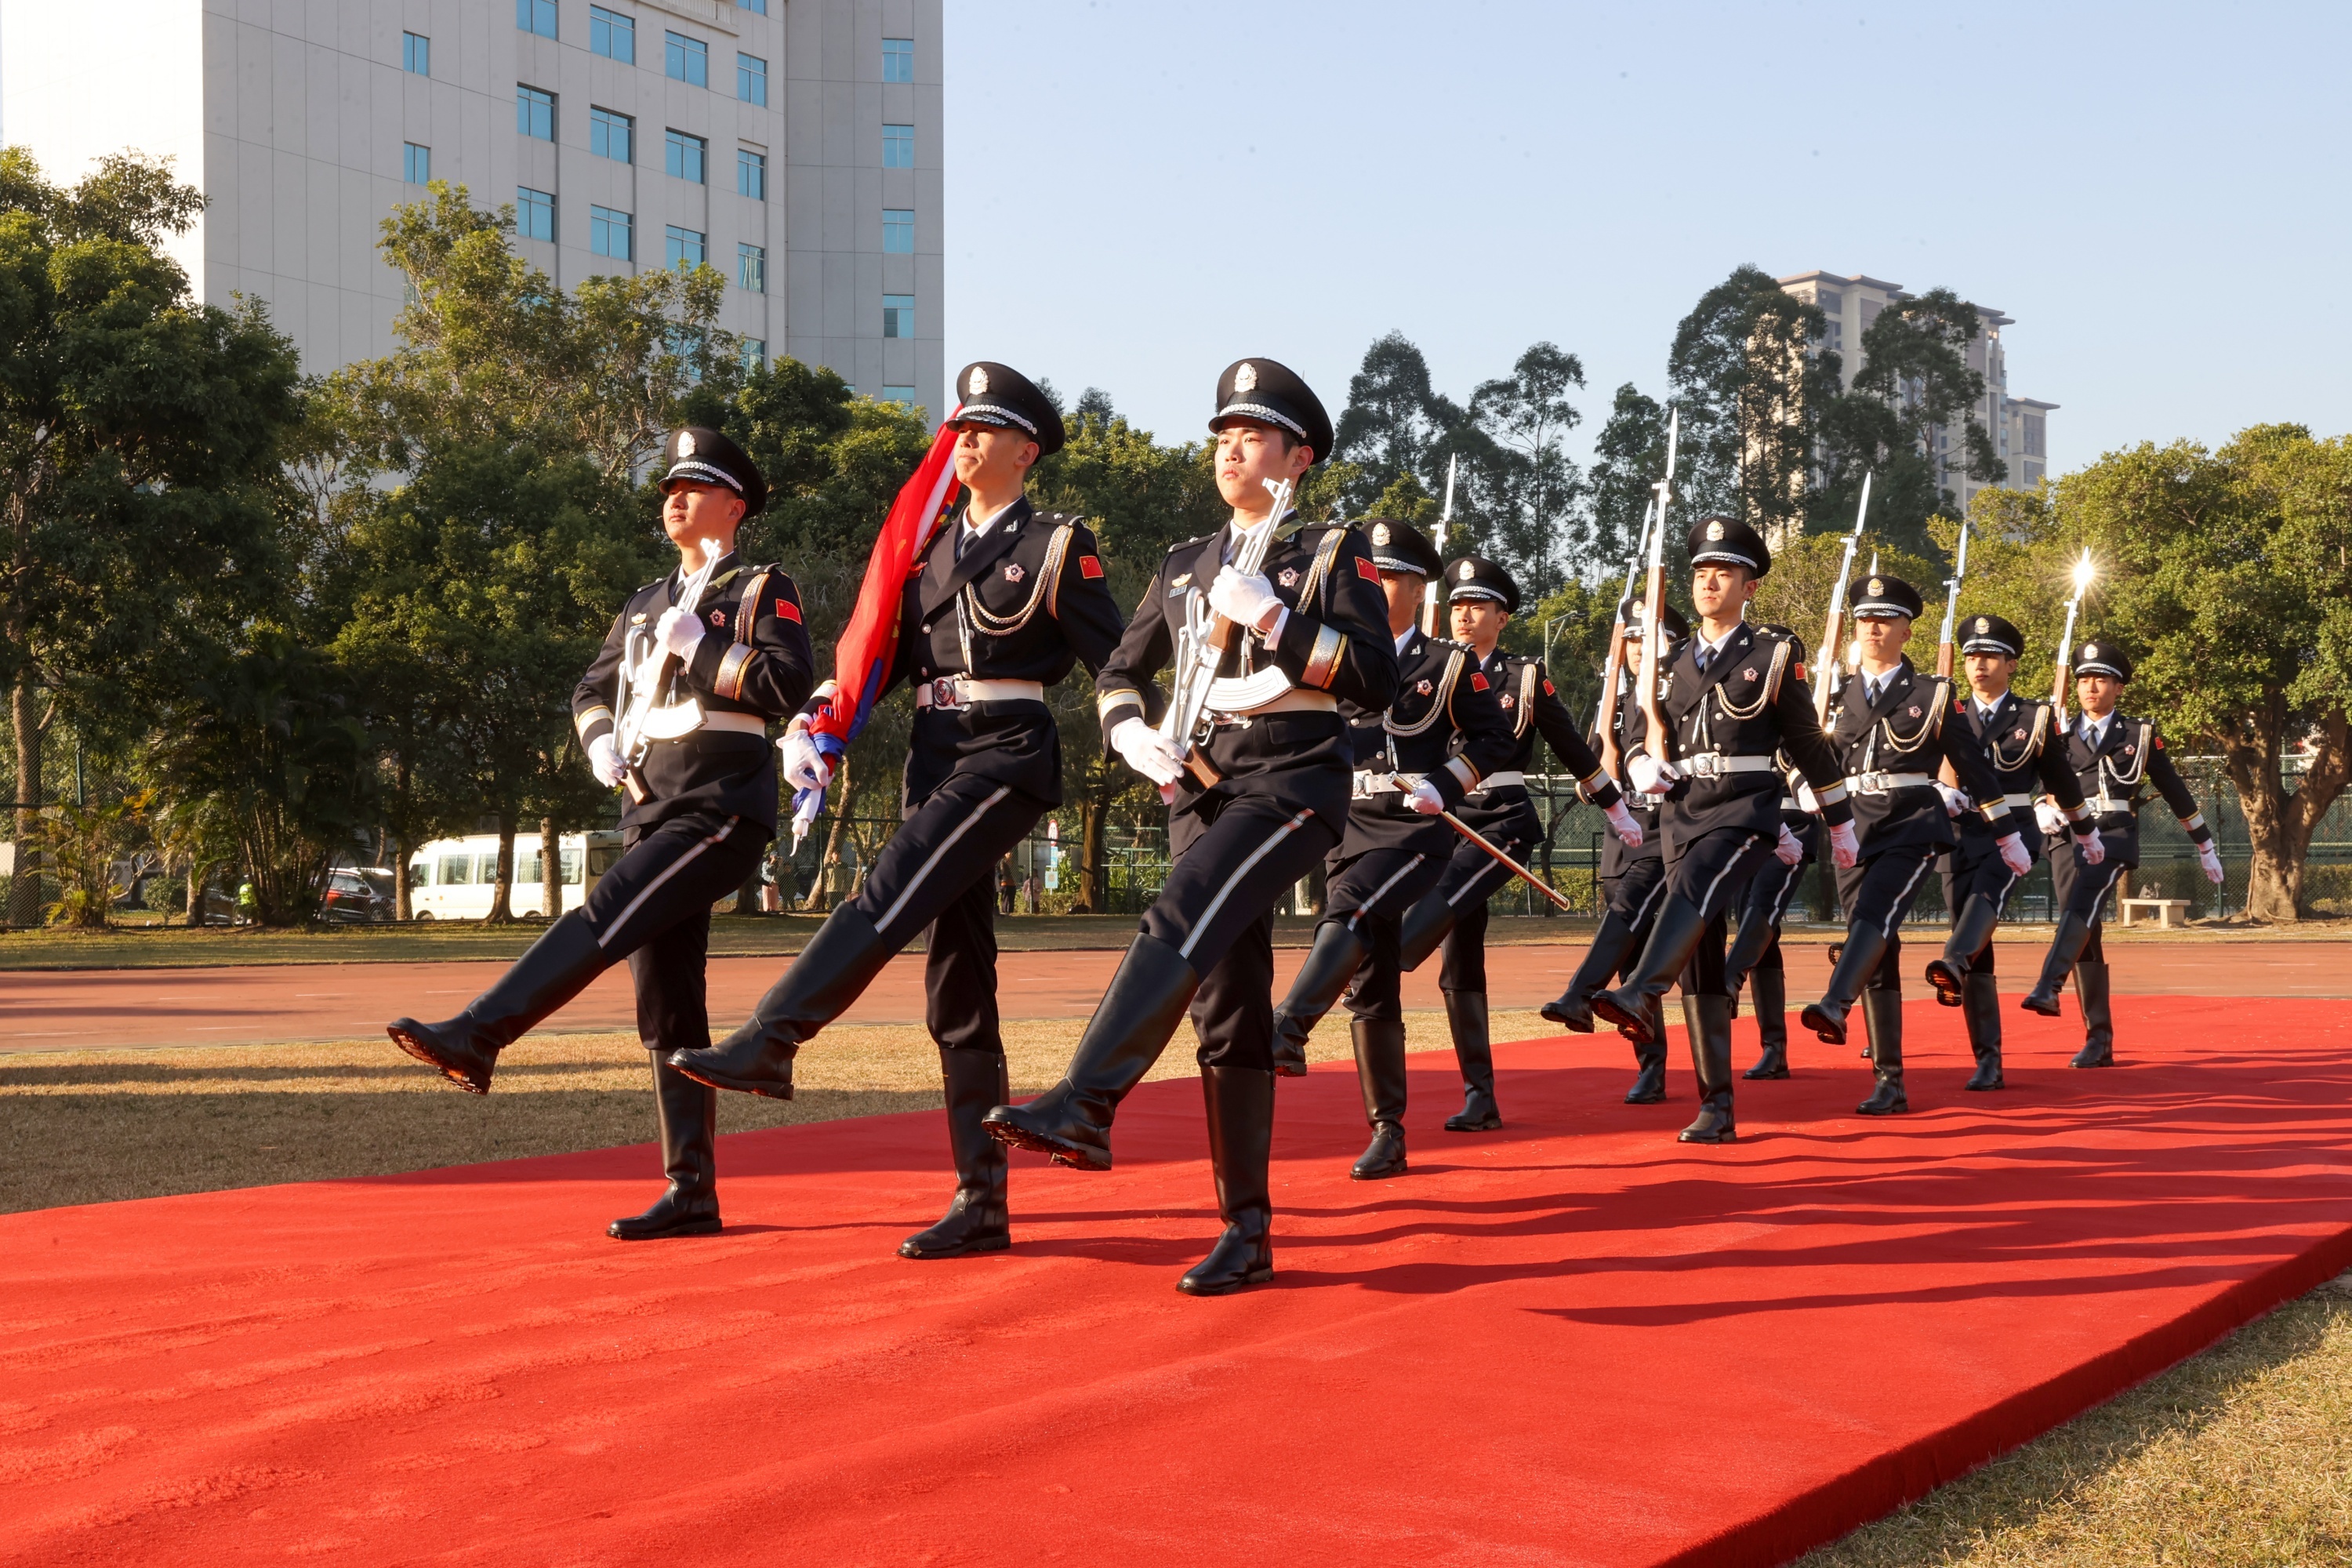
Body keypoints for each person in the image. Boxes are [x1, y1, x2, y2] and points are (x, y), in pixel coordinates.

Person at [665, 363, 1124, 1260]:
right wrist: (818, 720)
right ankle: (980, 1200)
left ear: (1026, 450)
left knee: (886, 887)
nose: (967, 443)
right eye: (961, 430)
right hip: (935, 756)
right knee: (958, 978)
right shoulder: (929, 550)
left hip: (1007, 750)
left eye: (986, 431)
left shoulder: (1059, 544)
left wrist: (1150, 735)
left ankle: (774, 1036)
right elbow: (881, 654)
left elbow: (1118, 660)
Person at [982, 358, 1399, 1294]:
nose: (1230, 450)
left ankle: (1086, 1101)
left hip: (1291, 779)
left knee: (1179, 908)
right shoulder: (1183, 563)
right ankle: (1245, 1231)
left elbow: (1378, 678)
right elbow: (1121, 669)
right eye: (1222, 434)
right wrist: (1129, 730)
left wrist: (1282, 624)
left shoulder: (1331, 553)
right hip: (1203, 786)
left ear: (1296, 457)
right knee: (1226, 1006)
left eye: (1250, 435)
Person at [389, 427, 814, 1240]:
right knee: (667, 1005)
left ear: (735, 504)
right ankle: (690, 1187)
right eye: (668, 489)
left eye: (694, 486)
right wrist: (594, 739)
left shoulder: (760, 587)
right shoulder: (647, 601)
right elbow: (592, 684)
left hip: (720, 802)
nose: (674, 499)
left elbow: (786, 681)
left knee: (604, 915)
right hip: (652, 805)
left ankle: (480, 1033)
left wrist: (711, 648)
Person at [1585, 517, 1857, 1144]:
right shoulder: (1670, 660)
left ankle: (1639, 991)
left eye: (1725, 572)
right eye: (1702, 572)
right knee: (1703, 964)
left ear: (1749, 586)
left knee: (1696, 888)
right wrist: (1639, 763)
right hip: (1682, 812)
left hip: (1745, 810)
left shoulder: (1771, 655)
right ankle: (1717, 1104)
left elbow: (1808, 743)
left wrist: (1838, 821)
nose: (1711, 582)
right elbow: (1631, 734)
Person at [1260, 523, 1517, 1179]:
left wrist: (1446, 782)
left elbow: (1494, 741)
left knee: (1348, 911)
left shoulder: (1449, 664)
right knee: (1370, 983)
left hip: (1411, 831)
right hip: (1344, 824)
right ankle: (1388, 1130)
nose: (1373, 583)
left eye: (1390, 575)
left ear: (1417, 588)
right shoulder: (1331, 654)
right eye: (1368, 571)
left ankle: (1287, 1026)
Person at [1392, 555, 1640, 1130]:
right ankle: (1480, 1096)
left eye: (1477, 605)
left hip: (1500, 820)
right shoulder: (1425, 668)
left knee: (1441, 903)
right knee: (1459, 962)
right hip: (1440, 821)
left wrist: (1617, 810)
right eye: (1456, 604)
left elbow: (1574, 750)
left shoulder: (1524, 677)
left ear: (1502, 618)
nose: (1463, 614)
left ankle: (1384, 959)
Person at [1793, 575, 2025, 1116]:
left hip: (1912, 824)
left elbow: (1972, 765)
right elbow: (1794, 748)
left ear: (1906, 630)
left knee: (1876, 916)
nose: (1873, 626)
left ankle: (1835, 1002)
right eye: (1865, 618)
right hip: (1852, 826)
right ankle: (1889, 1080)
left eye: (1885, 618)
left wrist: (2007, 831)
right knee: (1875, 945)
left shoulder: (1932, 694)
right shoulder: (1832, 691)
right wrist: (1802, 784)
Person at [1919, 613, 2103, 1088]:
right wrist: (1939, 791)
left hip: (2015, 832)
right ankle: (1988, 1057)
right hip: (1959, 831)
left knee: (1988, 899)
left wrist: (2084, 829)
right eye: (1971, 656)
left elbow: (2061, 778)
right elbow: (1932, 767)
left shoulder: (2034, 717)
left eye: (1989, 656)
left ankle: (1954, 961)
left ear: (2011, 664)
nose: (1978, 664)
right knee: (1976, 939)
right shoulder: (1948, 710)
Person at [2021, 639, 2221, 1066]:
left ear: (2119, 688)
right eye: (2084, 679)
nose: (2091, 686)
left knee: (2082, 906)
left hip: (2111, 835)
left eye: (2101, 679)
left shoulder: (2138, 735)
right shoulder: (2056, 732)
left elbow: (2174, 790)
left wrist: (2204, 844)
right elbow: (2037, 782)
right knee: (2085, 932)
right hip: (2065, 837)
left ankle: (2049, 985)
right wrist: (2040, 806)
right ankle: (2099, 1039)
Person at [1540, 597, 1691, 1105]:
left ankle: (1579, 996)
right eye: (1628, 639)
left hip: (1664, 841)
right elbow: (1591, 787)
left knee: (1635, 923)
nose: (1633, 649)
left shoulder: (1682, 702)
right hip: (1620, 847)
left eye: (1644, 639)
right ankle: (1651, 1068)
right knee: (1629, 966)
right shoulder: (1619, 707)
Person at [1718, 627, 1820, 1083]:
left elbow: (1804, 754)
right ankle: (1774, 1047)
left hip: (1792, 822)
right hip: (1748, 820)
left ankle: (1729, 980)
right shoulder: (1744, 703)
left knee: (1764, 909)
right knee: (1762, 933)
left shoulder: (1801, 704)